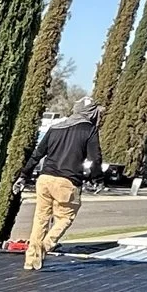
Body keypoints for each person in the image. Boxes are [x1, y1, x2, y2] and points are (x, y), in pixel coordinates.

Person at [23, 102, 102, 273]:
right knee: (65, 218)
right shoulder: (89, 130)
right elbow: (95, 159)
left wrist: (24, 174)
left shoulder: (56, 127)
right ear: (91, 113)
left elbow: (37, 154)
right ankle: (44, 247)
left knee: (40, 219)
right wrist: (97, 178)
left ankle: (30, 259)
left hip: (44, 179)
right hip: (67, 181)